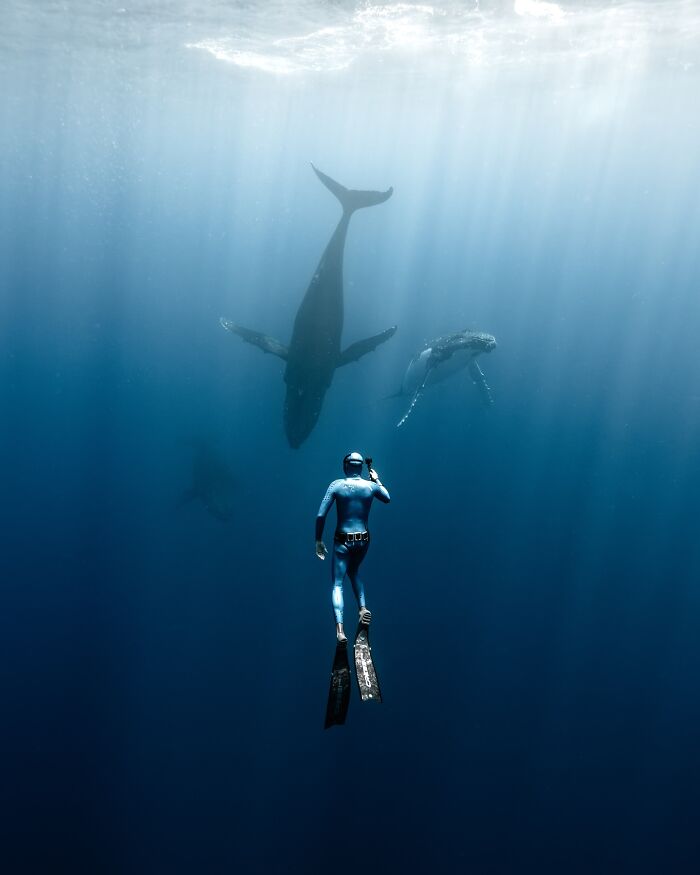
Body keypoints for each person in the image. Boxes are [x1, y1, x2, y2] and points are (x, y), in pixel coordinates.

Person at [315, 452, 391, 643]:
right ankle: (363, 608)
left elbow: (320, 515)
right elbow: (387, 497)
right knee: (354, 572)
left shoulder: (337, 485)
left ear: (345, 466)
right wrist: (377, 480)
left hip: (342, 541)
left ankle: (340, 631)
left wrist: (318, 540)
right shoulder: (371, 487)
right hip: (364, 540)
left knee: (337, 584)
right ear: (360, 467)